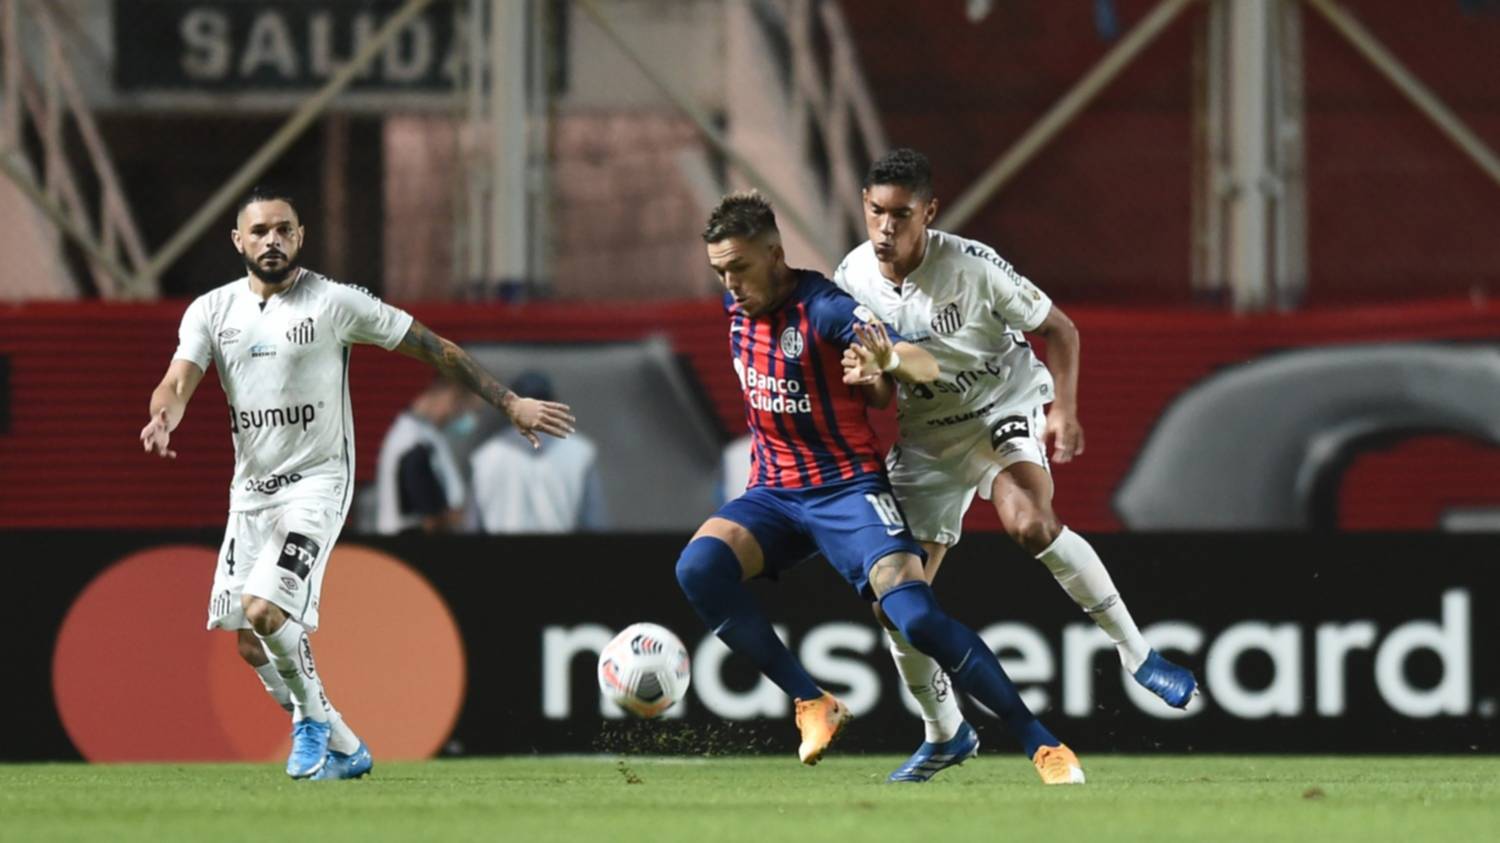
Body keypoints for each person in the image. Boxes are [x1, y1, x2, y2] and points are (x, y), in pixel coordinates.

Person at [139, 186, 574, 780]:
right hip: (250, 493)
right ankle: (346, 745)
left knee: (266, 614)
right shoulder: (211, 311)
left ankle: (310, 722)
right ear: (238, 240)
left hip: (317, 485)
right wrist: (164, 414)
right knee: (248, 643)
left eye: (284, 229)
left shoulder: (335, 303)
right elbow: (178, 381)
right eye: (260, 230)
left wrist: (508, 402)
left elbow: (434, 348)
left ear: (301, 236)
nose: (273, 240)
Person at [675, 190, 1085, 784]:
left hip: (846, 492)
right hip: (773, 495)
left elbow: (916, 362)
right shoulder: (737, 309)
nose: (730, 283)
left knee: (914, 619)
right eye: (720, 272)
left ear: (775, 253)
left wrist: (883, 367)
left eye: (739, 267)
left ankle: (1040, 743)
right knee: (697, 570)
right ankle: (812, 702)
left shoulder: (827, 308)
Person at [833, 148, 1198, 783]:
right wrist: (870, 377)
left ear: (929, 212)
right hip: (926, 437)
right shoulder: (853, 277)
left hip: (1000, 405)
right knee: (893, 600)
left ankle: (1136, 654)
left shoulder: (974, 267)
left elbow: (1061, 330)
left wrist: (1065, 410)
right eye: (875, 212)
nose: (886, 228)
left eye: (900, 214)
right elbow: (884, 393)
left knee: (1029, 523)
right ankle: (944, 733)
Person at [468, 371, 608, 533]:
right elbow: (594, 522)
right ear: (555, 403)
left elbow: (472, 526)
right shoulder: (580, 452)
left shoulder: (486, 457)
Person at [374, 377, 473, 534]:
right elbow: (427, 513)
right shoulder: (411, 440)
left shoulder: (425, 434)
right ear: (446, 396)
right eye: (456, 405)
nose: (453, 413)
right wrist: (448, 518)